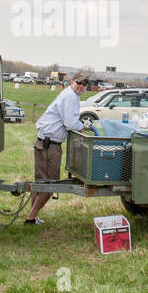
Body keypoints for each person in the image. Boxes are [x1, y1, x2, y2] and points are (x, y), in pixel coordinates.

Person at [25, 72, 90, 225]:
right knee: (50, 185)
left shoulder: (71, 95)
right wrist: (84, 127)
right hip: (49, 146)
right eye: (78, 83)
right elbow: (70, 123)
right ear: (72, 82)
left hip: (44, 142)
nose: (81, 86)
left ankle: (31, 217)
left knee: (40, 183)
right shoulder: (70, 97)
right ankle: (30, 218)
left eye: (84, 84)